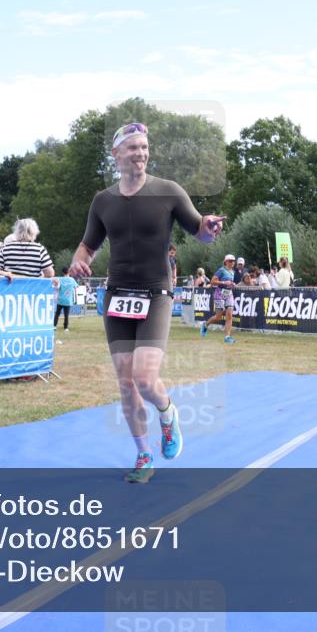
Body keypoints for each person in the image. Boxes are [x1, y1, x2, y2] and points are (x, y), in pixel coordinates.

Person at [69, 122, 225, 484]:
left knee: (144, 377)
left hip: (156, 295)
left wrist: (209, 229)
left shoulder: (168, 191)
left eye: (144, 147)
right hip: (118, 296)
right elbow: (88, 246)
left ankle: (167, 414)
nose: (140, 153)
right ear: (116, 154)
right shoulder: (103, 200)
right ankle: (143, 454)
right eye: (133, 147)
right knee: (126, 383)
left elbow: (200, 232)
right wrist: (78, 261)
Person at [202, 254, 237, 345]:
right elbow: (212, 281)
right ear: (226, 262)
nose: (232, 263)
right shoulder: (221, 270)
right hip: (219, 294)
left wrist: (232, 284)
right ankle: (205, 325)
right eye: (230, 261)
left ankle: (227, 337)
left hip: (229, 294)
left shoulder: (232, 272)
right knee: (218, 317)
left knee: (229, 315)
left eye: (233, 261)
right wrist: (224, 282)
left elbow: (229, 283)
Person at [54, 266, 78, 331]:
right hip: (68, 300)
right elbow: (76, 287)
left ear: (63, 272)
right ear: (69, 272)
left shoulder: (59, 279)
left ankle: (54, 326)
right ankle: (66, 328)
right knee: (66, 315)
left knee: (57, 314)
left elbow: (57, 287)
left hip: (60, 300)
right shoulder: (72, 280)